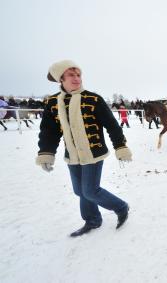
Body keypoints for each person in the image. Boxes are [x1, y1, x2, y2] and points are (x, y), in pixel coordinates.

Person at [36, 60, 132, 237]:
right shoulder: (53, 103)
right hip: (72, 155)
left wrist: (120, 147)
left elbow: (112, 126)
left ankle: (121, 206)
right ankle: (92, 219)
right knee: (80, 191)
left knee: (90, 190)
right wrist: (46, 154)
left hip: (93, 153)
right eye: (71, 75)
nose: (76, 78)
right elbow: (49, 132)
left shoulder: (93, 99)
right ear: (61, 79)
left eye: (78, 74)